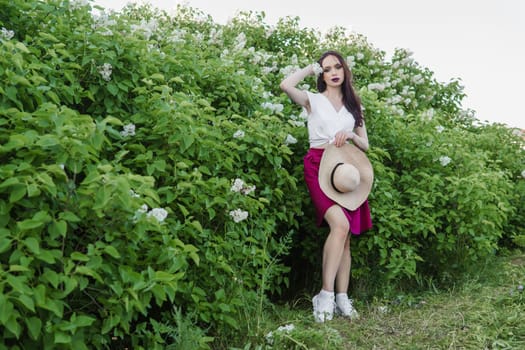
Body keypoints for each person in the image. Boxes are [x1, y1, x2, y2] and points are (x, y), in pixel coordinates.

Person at [280, 50, 373, 323]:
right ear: (322, 74)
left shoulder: (355, 106)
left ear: (345, 70)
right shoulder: (314, 100)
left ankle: (342, 298)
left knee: (345, 238)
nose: (333, 72)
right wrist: (310, 69)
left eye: (337, 67)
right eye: (327, 68)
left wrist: (353, 136)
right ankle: (325, 294)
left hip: (346, 169)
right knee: (340, 226)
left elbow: (366, 144)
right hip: (318, 166)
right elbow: (286, 85)